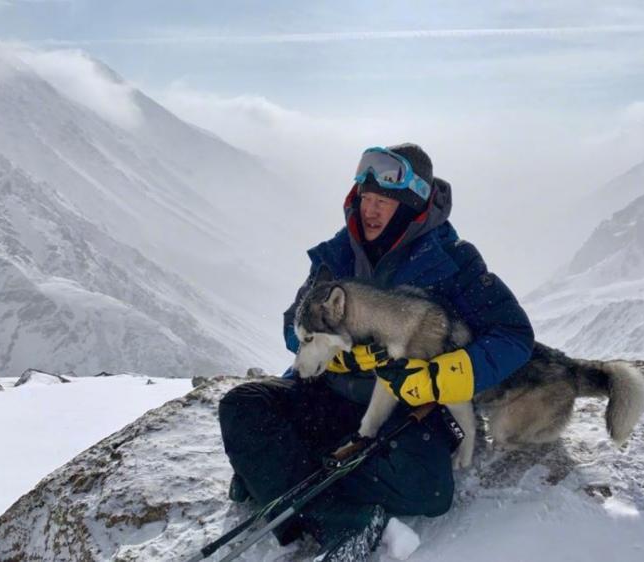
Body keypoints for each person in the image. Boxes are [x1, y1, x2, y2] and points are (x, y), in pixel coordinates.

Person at [218, 143, 534, 561]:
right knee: (242, 406)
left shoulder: (453, 261)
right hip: (329, 395)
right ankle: (337, 519)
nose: (371, 210)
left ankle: (276, 477)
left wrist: (445, 376)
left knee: (428, 491)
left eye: (384, 201)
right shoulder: (336, 254)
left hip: (404, 408)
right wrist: (335, 352)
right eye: (366, 199)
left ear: (412, 206)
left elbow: (513, 335)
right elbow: (294, 323)